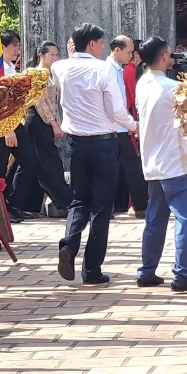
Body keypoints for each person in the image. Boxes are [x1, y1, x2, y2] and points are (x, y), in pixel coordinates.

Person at [53, 23, 137, 285]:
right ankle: (92, 270)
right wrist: (133, 126)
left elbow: (60, 76)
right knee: (101, 207)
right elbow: (115, 110)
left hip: (76, 143)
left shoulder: (59, 67)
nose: (103, 47)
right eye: (100, 43)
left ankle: (68, 244)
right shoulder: (103, 69)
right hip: (104, 143)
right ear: (92, 44)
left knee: (79, 200)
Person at [135, 36, 187, 294]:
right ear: (165, 56)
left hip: (152, 161)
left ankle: (147, 270)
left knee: (155, 218)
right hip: (174, 162)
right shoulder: (173, 87)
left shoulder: (142, 84)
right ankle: (183, 273)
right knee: (185, 218)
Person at [11, 41, 72, 219]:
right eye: (52, 54)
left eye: (56, 54)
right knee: (50, 162)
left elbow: (54, 104)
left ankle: (27, 204)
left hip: (47, 120)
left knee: (37, 163)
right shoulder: (35, 73)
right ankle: (66, 201)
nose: (55, 58)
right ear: (42, 55)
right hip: (36, 120)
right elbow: (39, 103)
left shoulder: (51, 74)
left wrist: (56, 123)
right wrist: (53, 124)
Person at [107, 35, 148, 218]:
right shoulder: (110, 70)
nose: (131, 56)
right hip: (117, 126)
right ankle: (139, 205)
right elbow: (120, 103)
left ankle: (138, 205)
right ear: (117, 50)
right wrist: (132, 123)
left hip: (122, 124)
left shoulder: (119, 69)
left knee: (125, 167)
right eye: (128, 52)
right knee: (128, 167)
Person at [0, 30, 25, 219]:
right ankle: (0, 206)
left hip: (15, 121)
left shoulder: (11, 68)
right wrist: (7, 129)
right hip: (1, 124)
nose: (17, 50)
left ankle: (9, 201)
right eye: (14, 45)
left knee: (29, 160)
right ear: (2, 46)